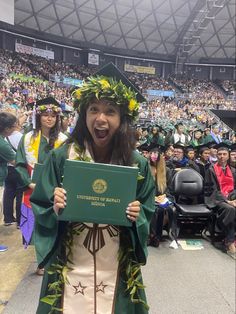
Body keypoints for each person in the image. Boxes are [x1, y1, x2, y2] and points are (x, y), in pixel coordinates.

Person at [30, 63, 155, 314]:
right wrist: (54, 208)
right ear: (83, 115)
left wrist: (136, 215)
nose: (100, 118)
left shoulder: (137, 164)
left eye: (110, 111)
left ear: (121, 119)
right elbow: (41, 203)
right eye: (93, 109)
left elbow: (147, 212)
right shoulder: (61, 157)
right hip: (69, 262)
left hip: (117, 265)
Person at [15, 97, 68, 275]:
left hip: (56, 190)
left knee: (55, 223)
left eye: (53, 115)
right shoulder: (27, 138)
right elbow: (21, 163)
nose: (49, 118)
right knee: (39, 225)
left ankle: (56, 257)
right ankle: (41, 261)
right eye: (45, 115)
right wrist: (29, 183)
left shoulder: (64, 140)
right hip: (34, 189)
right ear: (39, 117)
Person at [204, 143, 236, 259]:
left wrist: (233, 199)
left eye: (224, 154)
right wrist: (227, 201)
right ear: (216, 156)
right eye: (219, 154)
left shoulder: (233, 170)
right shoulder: (211, 170)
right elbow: (211, 190)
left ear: (228, 156)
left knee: (232, 207)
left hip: (231, 199)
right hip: (216, 199)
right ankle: (229, 241)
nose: (222, 156)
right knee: (230, 209)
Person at [147, 144, 174, 247]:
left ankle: (157, 236)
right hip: (148, 198)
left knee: (163, 209)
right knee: (154, 209)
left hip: (162, 198)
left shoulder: (166, 170)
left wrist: (164, 196)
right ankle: (151, 236)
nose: (154, 159)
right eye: (152, 156)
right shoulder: (146, 168)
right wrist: (152, 197)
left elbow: (169, 188)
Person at [0, 112, 17, 253]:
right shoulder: (2, 144)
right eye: (13, 126)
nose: (15, 129)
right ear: (6, 129)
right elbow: (16, 161)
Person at [3, 119, 23, 227]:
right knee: (20, 194)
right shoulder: (21, 136)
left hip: (8, 169)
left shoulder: (4, 136)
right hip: (18, 168)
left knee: (8, 193)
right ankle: (20, 221)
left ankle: (8, 219)